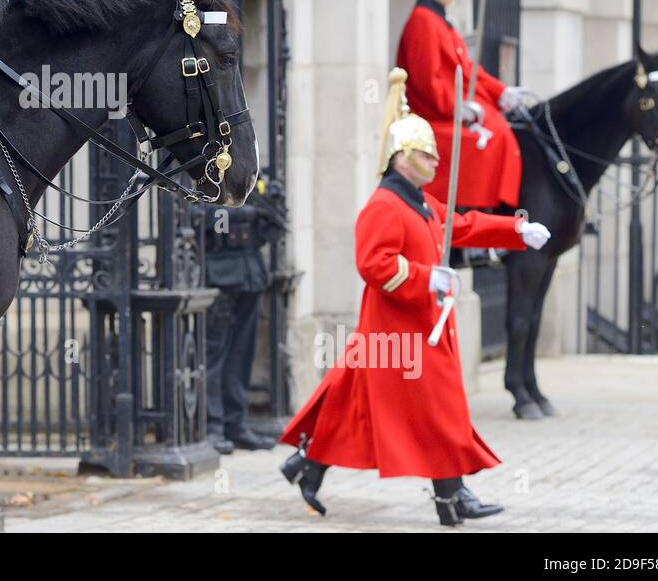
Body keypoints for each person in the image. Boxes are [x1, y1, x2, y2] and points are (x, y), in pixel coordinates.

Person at [277, 69, 552, 526]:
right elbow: (373, 263)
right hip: (400, 328)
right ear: (402, 156)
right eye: (427, 154)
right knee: (440, 411)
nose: (435, 162)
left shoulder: (420, 202)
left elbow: (462, 225)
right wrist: (427, 278)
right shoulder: (383, 205)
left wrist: (517, 230)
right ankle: (453, 499)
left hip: (422, 324)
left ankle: (309, 465)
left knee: (360, 408)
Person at [394, 0, 530, 209]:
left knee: (499, 125)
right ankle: (472, 214)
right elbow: (426, 82)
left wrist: (499, 92)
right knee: (493, 138)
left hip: (446, 109)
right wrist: (457, 109)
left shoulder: (441, 24)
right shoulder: (423, 23)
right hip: (431, 114)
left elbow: (468, 72)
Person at [202, 174, 287, 453]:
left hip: (249, 276)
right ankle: (213, 426)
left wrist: (271, 207)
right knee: (215, 354)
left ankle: (235, 423)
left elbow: (272, 232)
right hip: (219, 277)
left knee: (241, 352)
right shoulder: (203, 173)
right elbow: (199, 218)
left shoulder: (251, 179)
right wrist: (243, 214)